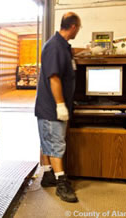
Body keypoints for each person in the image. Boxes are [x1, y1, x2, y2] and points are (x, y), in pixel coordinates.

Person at [34, 12, 81, 203]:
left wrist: (88, 50)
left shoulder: (62, 46)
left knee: (47, 140)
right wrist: (61, 105)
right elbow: (54, 77)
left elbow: (68, 57)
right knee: (56, 144)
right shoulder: (54, 47)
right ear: (73, 27)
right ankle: (61, 183)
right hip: (51, 107)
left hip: (51, 107)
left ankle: (47, 175)